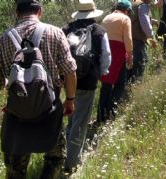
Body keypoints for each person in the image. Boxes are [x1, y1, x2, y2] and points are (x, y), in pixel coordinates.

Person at [0, 0, 77, 178]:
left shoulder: (4, 39)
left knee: (15, 167)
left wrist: (13, 83)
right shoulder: (55, 33)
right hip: (49, 110)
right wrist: (70, 100)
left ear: (17, 13)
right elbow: (70, 71)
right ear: (40, 11)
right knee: (54, 158)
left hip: (17, 113)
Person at [62, 0, 111, 173]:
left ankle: (67, 152)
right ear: (93, 12)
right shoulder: (99, 31)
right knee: (81, 121)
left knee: (71, 115)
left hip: (68, 80)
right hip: (88, 81)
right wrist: (102, 72)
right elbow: (106, 55)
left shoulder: (66, 30)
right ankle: (71, 162)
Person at [97, 0, 133, 123]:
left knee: (106, 84)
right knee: (120, 84)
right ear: (127, 10)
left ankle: (101, 117)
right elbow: (128, 38)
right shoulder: (125, 19)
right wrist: (130, 54)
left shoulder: (107, 17)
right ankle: (111, 112)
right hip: (118, 51)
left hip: (104, 51)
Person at [127, 0, 157, 83]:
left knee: (130, 64)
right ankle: (136, 86)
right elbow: (144, 22)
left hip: (129, 37)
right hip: (137, 39)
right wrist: (151, 38)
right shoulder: (143, 6)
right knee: (139, 63)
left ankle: (127, 86)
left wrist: (152, 21)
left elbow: (137, 18)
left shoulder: (134, 3)